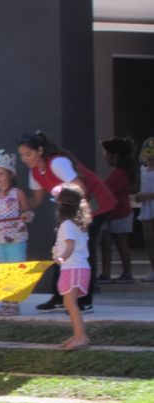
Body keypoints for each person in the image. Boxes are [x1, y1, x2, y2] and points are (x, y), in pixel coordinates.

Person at [16, 131, 116, 312]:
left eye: (28, 154)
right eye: (22, 155)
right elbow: (36, 200)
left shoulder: (57, 163)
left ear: (40, 150)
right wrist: (19, 207)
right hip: (70, 209)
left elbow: (80, 187)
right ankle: (59, 298)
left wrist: (72, 216)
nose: (24, 159)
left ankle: (85, 300)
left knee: (84, 250)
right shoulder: (34, 171)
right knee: (59, 249)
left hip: (94, 203)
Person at [0, 149, 32, 316]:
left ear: (10, 174)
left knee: (15, 269)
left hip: (17, 238)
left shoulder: (18, 193)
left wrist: (25, 216)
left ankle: (14, 303)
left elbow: (28, 212)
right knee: (1, 270)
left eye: (1, 173)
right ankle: (5, 302)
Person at [51, 184, 92, 350]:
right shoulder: (78, 225)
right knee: (69, 303)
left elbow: (70, 247)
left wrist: (61, 258)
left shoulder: (67, 225)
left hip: (73, 268)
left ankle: (81, 336)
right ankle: (78, 334)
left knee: (70, 303)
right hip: (77, 268)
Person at [97, 137, 139, 284]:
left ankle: (127, 273)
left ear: (115, 156)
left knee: (121, 243)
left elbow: (107, 191)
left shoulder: (119, 174)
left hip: (120, 214)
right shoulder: (120, 173)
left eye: (106, 153)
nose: (104, 156)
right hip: (114, 214)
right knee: (107, 243)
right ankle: (106, 274)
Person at [135, 137, 154, 282]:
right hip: (147, 208)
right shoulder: (142, 170)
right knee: (149, 240)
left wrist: (146, 196)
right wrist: (139, 196)